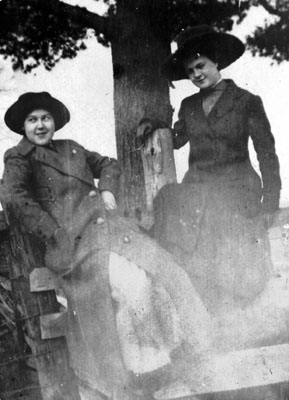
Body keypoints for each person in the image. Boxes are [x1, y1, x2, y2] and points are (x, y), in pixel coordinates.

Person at [1, 91, 213, 399]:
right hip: (74, 246)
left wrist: (108, 190)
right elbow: (14, 198)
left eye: (45, 118)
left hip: (109, 230)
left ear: (54, 122)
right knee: (135, 285)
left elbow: (109, 164)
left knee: (163, 275)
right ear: (23, 126)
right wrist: (54, 231)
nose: (41, 125)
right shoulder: (19, 158)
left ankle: (169, 359)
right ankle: (151, 369)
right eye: (32, 120)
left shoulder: (72, 148)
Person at [138, 25, 281, 314]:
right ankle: (193, 301)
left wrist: (271, 200)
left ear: (216, 62)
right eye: (190, 71)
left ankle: (233, 303)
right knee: (169, 205)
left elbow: (266, 152)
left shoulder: (246, 102)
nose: (196, 75)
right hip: (200, 186)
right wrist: (154, 124)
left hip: (237, 186)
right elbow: (175, 139)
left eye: (201, 66)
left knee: (221, 230)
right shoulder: (189, 106)